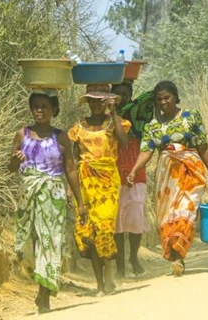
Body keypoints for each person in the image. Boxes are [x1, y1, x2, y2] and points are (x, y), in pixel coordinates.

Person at [126, 80, 208, 276]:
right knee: (169, 215)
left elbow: (203, 146)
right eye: (159, 99)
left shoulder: (190, 117)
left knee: (186, 211)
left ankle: (179, 253)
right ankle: (177, 256)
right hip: (167, 176)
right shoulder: (151, 126)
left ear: (176, 97)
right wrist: (134, 170)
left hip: (190, 170)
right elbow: (146, 151)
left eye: (167, 98)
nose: (163, 102)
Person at [9, 89, 86, 314]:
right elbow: (11, 168)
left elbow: (70, 169)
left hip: (53, 197)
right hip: (28, 196)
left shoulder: (60, 137)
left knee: (49, 242)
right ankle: (40, 286)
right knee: (28, 244)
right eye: (36, 106)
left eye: (44, 106)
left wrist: (80, 202)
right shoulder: (21, 134)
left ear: (53, 110)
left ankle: (44, 294)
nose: (39, 110)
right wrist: (16, 160)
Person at [68, 83, 129, 295]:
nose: (96, 104)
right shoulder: (79, 127)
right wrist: (70, 188)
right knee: (89, 232)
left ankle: (109, 270)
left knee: (104, 226)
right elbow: (74, 159)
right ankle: (100, 284)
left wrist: (114, 114)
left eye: (100, 101)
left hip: (108, 182)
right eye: (92, 100)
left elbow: (124, 142)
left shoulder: (115, 123)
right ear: (88, 102)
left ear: (106, 102)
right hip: (85, 182)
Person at [110, 81, 153, 278]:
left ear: (131, 96)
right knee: (117, 222)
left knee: (135, 220)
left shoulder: (139, 116)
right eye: (117, 93)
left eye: (125, 94)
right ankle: (120, 264)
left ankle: (133, 258)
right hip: (113, 174)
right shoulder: (107, 117)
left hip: (136, 172)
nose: (121, 97)